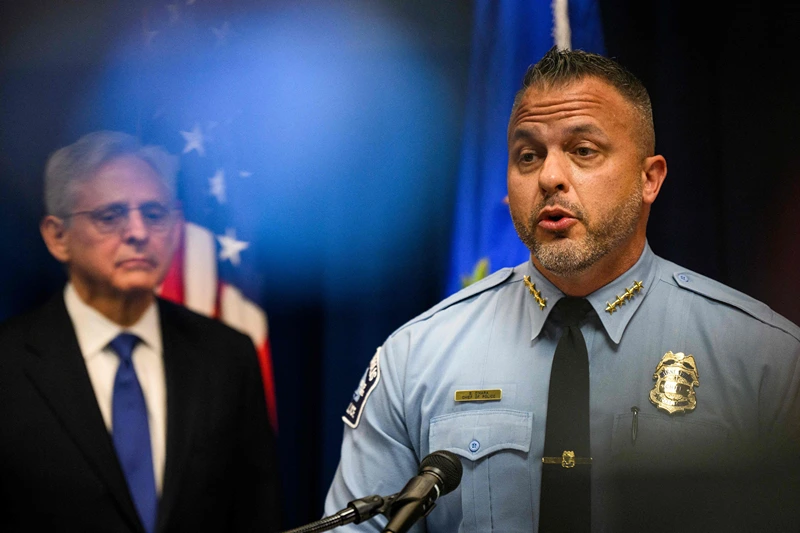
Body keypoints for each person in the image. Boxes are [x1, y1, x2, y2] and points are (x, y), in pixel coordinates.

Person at [324, 47, 800, 532]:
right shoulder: (416, 357)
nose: (550, 177)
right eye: (528, 156)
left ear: (649, 178)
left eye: (583, 151)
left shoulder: (764, 359)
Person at [0, 131, 280, 532]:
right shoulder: (8, 364)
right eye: (110, 216)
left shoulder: (228, 356)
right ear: (57, 236)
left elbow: (259, 515)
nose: (138, 233)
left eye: (154, 214)